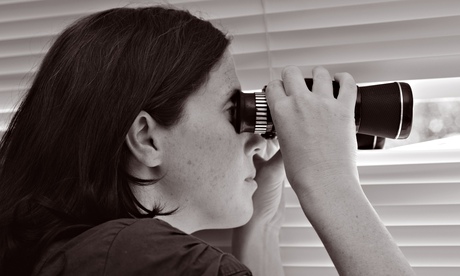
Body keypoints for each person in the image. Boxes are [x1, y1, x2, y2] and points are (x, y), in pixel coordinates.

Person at [0, 5, 415, 276]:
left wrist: (262, 221)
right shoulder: (137, 254)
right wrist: (330, 182)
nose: (254, 137)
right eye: (234, 109)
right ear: (146, 139)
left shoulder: (96, 255)